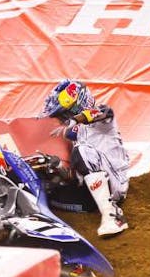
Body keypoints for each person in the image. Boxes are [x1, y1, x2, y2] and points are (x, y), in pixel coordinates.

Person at [40, 79, 130, 236]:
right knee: (50, 194)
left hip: (116, 182)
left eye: (63, 114)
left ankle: (114, 216)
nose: (61, 119)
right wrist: (59, 171)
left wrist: (74, 120)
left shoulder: (103, 117)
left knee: (81, 151)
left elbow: (102, 113)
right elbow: (82, 172)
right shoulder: (76, 132)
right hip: (94, 192)